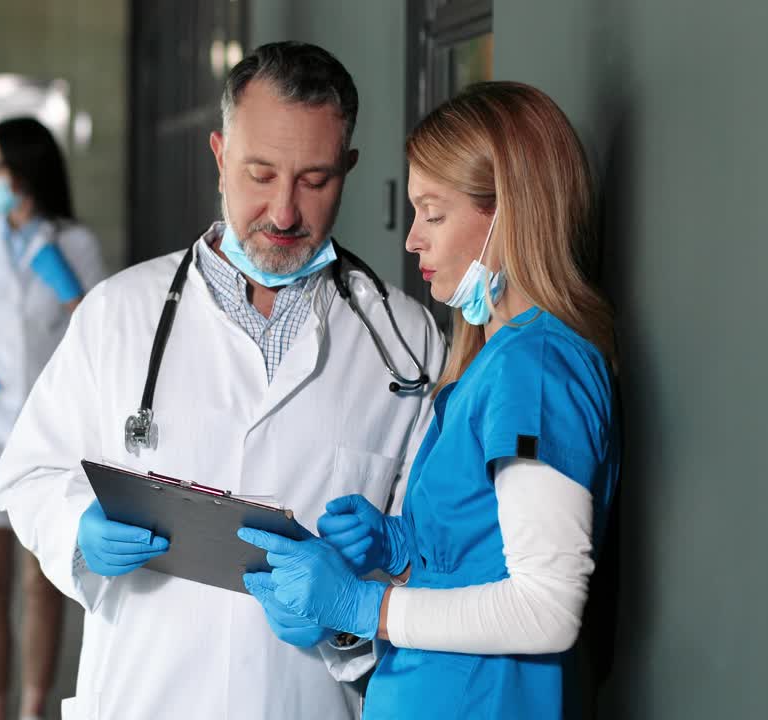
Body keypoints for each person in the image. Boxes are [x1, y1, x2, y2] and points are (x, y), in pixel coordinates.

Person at [0, 42, 446, 719]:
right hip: (144, 692)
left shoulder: (406, 345)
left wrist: (345, 621)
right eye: (260, 174)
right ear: (219, 156)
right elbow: (28, 473)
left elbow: (428, 548)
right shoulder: (119, 313)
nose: (285, 212)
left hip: (303, 699)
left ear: (349, 169)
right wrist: (76, 527)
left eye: (315, 180)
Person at [239, 81, 620, 719]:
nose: (412, 239)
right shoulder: (490, 362)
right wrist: (400, 546)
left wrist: (365, 607)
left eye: (433, 214)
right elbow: (483, 557)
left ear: (511, 214)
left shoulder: (538, 369)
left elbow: (546, 609)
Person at [0, 116, 106, 720]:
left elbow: (104, 334)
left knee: (44, 581)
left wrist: (70, 289)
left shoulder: (76, 244)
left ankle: (34, 706)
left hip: (51, 438)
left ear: (25, 169)